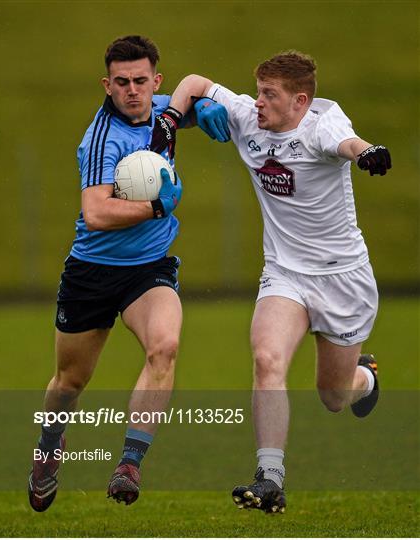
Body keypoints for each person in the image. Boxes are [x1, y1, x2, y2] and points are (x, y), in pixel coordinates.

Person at [169, 51, 391, 513]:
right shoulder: (252, 118)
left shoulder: (322, 123)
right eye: (259, 91)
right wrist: (177, 113)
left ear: (301, 101)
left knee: (334, 397)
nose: (259, 103)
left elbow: (348, 143)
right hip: (285, 273)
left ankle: (365, 379)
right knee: (267, 358)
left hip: (342, 279)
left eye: (270, 95)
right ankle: (270, 478)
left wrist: (367, 152)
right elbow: (194, 79)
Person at [28, 35, 228, 512]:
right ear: (108, 84)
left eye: (141, 80)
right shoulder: (102, 139)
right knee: (69, 383)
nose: (133, 90)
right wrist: (155, 206)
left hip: (148, 269)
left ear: (155, 81)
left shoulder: (162, 108)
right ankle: (49, 447)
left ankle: (129, 464)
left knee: (166, 346)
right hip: (93, 272)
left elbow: (193, 86)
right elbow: (96, 213)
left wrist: (216, 108)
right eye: (122, 82)